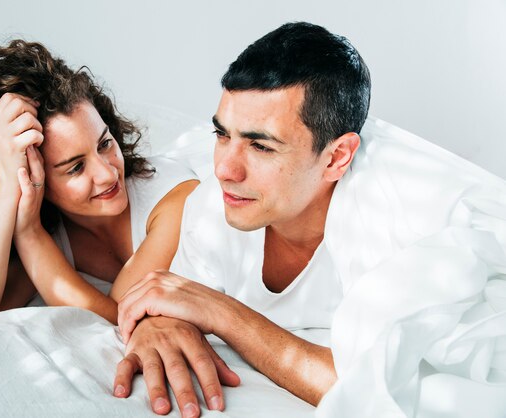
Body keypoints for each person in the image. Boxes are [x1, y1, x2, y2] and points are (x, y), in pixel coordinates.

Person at [114, 22, 506, 417]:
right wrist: (156, 324)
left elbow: (375, 392)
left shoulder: (400, 224)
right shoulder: (215, 208)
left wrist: (223, 314)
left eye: (261, 146)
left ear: (337, 157)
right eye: (221, 135)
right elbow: (174, 299)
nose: (224, 169)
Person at [0, 40, 199, 325]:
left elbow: (122, 317)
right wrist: (7, 182)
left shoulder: (174, 196)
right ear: (36, 178)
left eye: (105, 143)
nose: (108, 174)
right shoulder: (54, 233)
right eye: (76, 168)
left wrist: (31, 234)